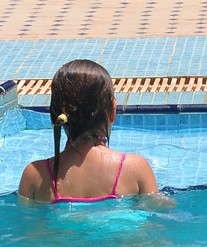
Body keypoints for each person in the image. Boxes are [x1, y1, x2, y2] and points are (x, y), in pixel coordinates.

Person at [18, 59, 160, 204]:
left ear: (56, 116)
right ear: (112, 112)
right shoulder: (135, 168)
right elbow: (157, 210)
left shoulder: (35, 175)